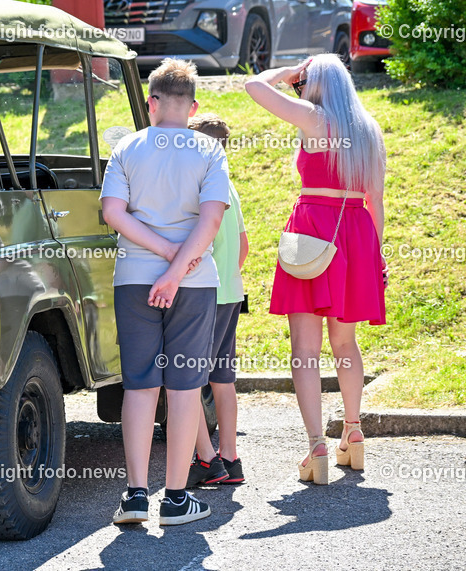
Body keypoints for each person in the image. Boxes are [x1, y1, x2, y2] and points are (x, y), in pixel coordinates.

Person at [245, 54, 386, 485]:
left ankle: (316, 447)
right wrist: (377, 256)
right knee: (346, 344)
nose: (297, 88)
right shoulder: (368, 129)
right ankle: (353, 433)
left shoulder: (314, 119)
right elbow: (376, 201)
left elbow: (253, 86)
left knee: (305, 351)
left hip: (312, 234)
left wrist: (287, 73)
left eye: (302, 82)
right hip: (357, 234)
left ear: (314, 84)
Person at [101, 58, 229, 526]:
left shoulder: (127, 147)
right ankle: (176, 498)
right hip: (194, 282)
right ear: (193, 107)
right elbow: (212, 220)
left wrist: (160, 253)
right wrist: (176, 269)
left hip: (133, 277)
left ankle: (135, 495)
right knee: (183, 387)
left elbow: (114, 212)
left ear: (151, 102)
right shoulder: (209, 151)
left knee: (139, 384)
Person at [185, 114, 249, 487]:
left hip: (202, 294)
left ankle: (207, 460)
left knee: (186, 379)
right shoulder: (229, 186)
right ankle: (230, 456)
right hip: (229, 294)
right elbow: (243, 247)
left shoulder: (198, 188)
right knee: (222, 378)